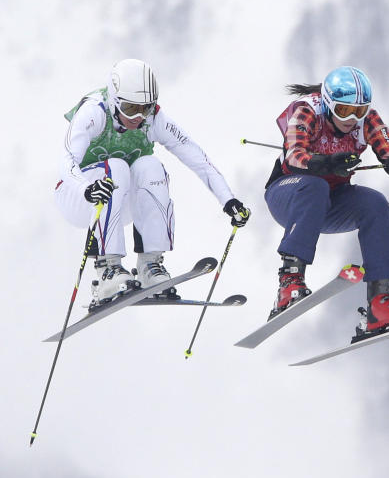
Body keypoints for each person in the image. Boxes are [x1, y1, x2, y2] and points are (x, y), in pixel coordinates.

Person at [55, 59, 250, 304]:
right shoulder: (95, 111)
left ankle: (150, 265)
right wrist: (86, 189)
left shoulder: (154, 120)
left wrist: (228, 199)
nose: (138, 117)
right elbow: (66, 161)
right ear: (115, 101)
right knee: (116, 167)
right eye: (129, 108)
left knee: (151, 166)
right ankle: (108, 270)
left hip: (119, 200)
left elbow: (197, 157)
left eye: (145, 108)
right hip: (77, 196)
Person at [264, 65, 389, 337]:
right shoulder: (307, 111)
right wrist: (324, 163)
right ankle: (289, 282)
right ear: (327, 103)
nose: (352, 119)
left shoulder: (365, 119)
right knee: (314, 187)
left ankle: (379, 304)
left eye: (359, 111)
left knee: (376, 203)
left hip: (331, 201)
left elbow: (384, 142)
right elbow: (294, 155)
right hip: (289, 193)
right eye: (344, 110)